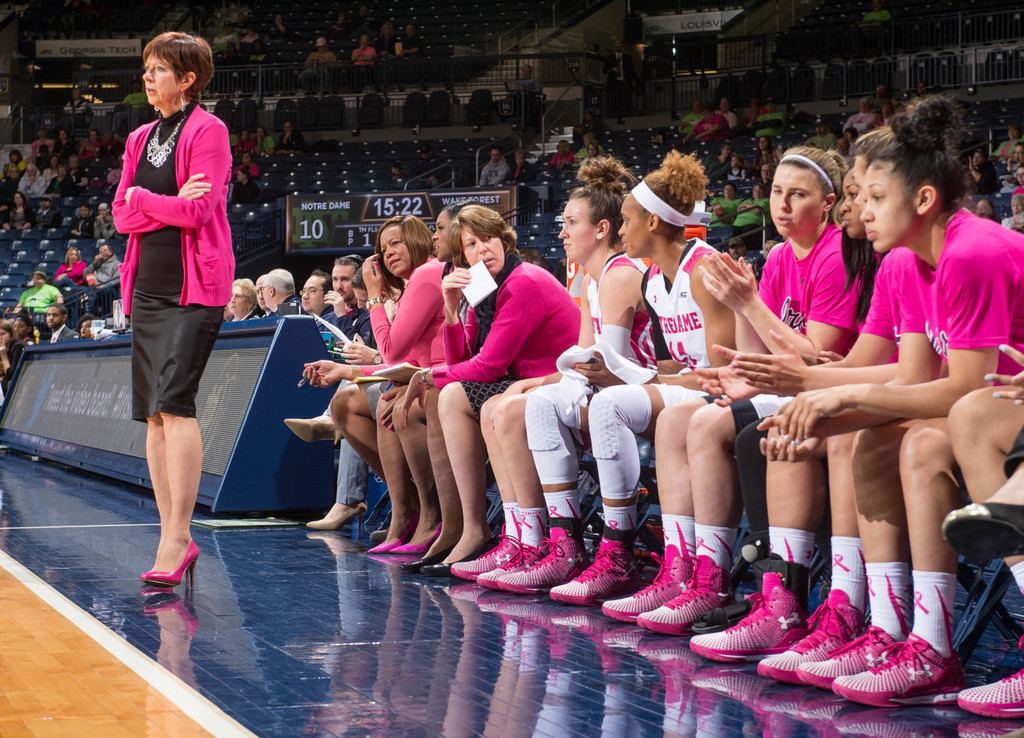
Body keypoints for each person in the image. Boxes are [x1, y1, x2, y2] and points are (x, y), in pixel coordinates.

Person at [764, 96, 1024, 708]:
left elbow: (965, 389)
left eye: (876, 197)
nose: (862, 210)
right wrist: (824, 418)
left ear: (924, 199)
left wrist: (838, 395)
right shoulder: (906, 263)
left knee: (940, 432)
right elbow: (911, 380)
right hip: (993, 405)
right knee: (877, 438)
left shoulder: (972, 252)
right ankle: (909, 638)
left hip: (994, 406)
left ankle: (924, 638)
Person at [450, 157, 652, 591]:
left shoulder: (618, 275)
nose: (561, 233)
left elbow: (604, 369)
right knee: (510, 405)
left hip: (642, 390)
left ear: (601, 229)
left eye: (571, 223)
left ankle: (596, 549)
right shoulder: (591, 281)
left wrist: (539, 383)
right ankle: (535, 542)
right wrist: (535, 383)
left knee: (520, 406)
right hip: (613, 388)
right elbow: (585, 363)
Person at [112, 31, 234, 589]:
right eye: (147, 68)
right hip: (146, 289)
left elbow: (200, 211)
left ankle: (179, 538)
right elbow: (120, 216)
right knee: (154, 414)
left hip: (195, 288)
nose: (148, 77)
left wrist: (143, 199)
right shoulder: (139, 137)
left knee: (176, 404)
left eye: (158, 69)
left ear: (187, 79)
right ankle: (169, 533)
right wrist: (157, 202)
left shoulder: (209, 130)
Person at [398, 204, 581, 575]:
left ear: (503, 240)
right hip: (520, 385)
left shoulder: (523, 281)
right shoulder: (485, 285)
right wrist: (451, 310)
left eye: (488, 239)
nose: (482, 249)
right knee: (450, 395)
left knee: (453, 395)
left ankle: (492, 533)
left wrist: (429, 375)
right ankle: (481, 531)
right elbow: (465, 360)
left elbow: (487, 367)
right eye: (471, 244)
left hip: (557, 385)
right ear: (462, 256)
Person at [303, 216, 446, 550]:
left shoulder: (426, 274)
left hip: (440, 381)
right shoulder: (412, 283)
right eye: (384, 248)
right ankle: (408, 505)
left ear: (418, 240)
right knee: (344, 402)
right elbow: (398, 361)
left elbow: (392, 353)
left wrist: (376, 298)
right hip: (417, 377)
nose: (389, 253)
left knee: (384, 402)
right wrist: (342, 370)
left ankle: (424, 512)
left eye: (396, 243)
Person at [327, 255, 373, 344]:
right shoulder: (328, 318)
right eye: (335, 279)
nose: (338, 286)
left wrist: (342, 316)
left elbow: (359, 349)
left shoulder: (369, 313)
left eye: (344, 279)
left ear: (357, 280)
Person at [604, 39, 638, 124]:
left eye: (619, 44)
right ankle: (614, 115)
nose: (617, 45)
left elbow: (631, 71)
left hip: (624, 81)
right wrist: (612, 69)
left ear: (622, 46)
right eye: (616, 44)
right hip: (614, 82)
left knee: (624, 99)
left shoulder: (627, 58)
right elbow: (604, 70)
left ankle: (624, 115)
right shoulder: (609, 57)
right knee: (614, 99)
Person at [0, 319, 25, 397]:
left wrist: (4, 357)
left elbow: (12, 376)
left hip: (20, 385)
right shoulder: (3, 346)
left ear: (11, 333)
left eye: (2, 334)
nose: (0, 337)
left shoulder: (18, 346)